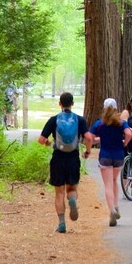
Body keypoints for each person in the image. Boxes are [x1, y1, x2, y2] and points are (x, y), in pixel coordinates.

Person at [36, 92, 89, 233]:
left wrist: (48, 143)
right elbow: (88, 137)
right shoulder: (79, 120)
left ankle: (61, 224)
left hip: (58, 158)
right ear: (72, 104)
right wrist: (87, 151)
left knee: (59, 193)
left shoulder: (54, 120)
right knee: (72, 189)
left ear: (60, 103)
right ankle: (72, 200)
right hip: (73, 158)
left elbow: (41, 140)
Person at [87, 97, 132, 227]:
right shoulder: (121, 123)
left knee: (107, 185)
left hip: (105, 156)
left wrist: (90, 148)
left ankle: (111, 210)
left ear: (104, 108)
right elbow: (129, 134)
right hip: (118, 156)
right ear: (116, 108)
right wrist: (125, 143)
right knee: (114, 180)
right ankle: (116, 206)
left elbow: (89, 138)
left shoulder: (99, 123)